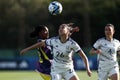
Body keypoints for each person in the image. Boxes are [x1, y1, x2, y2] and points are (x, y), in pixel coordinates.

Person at [20, 23, 92, 80]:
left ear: (67, 31)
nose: (60, 29)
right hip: (56, 70)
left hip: (68, 69)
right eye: (59, 28)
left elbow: (84, 57)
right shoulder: (54, 41)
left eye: (62, 27)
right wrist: (27, 49)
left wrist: (88, 69)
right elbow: (41, 43)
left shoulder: (73, 44)